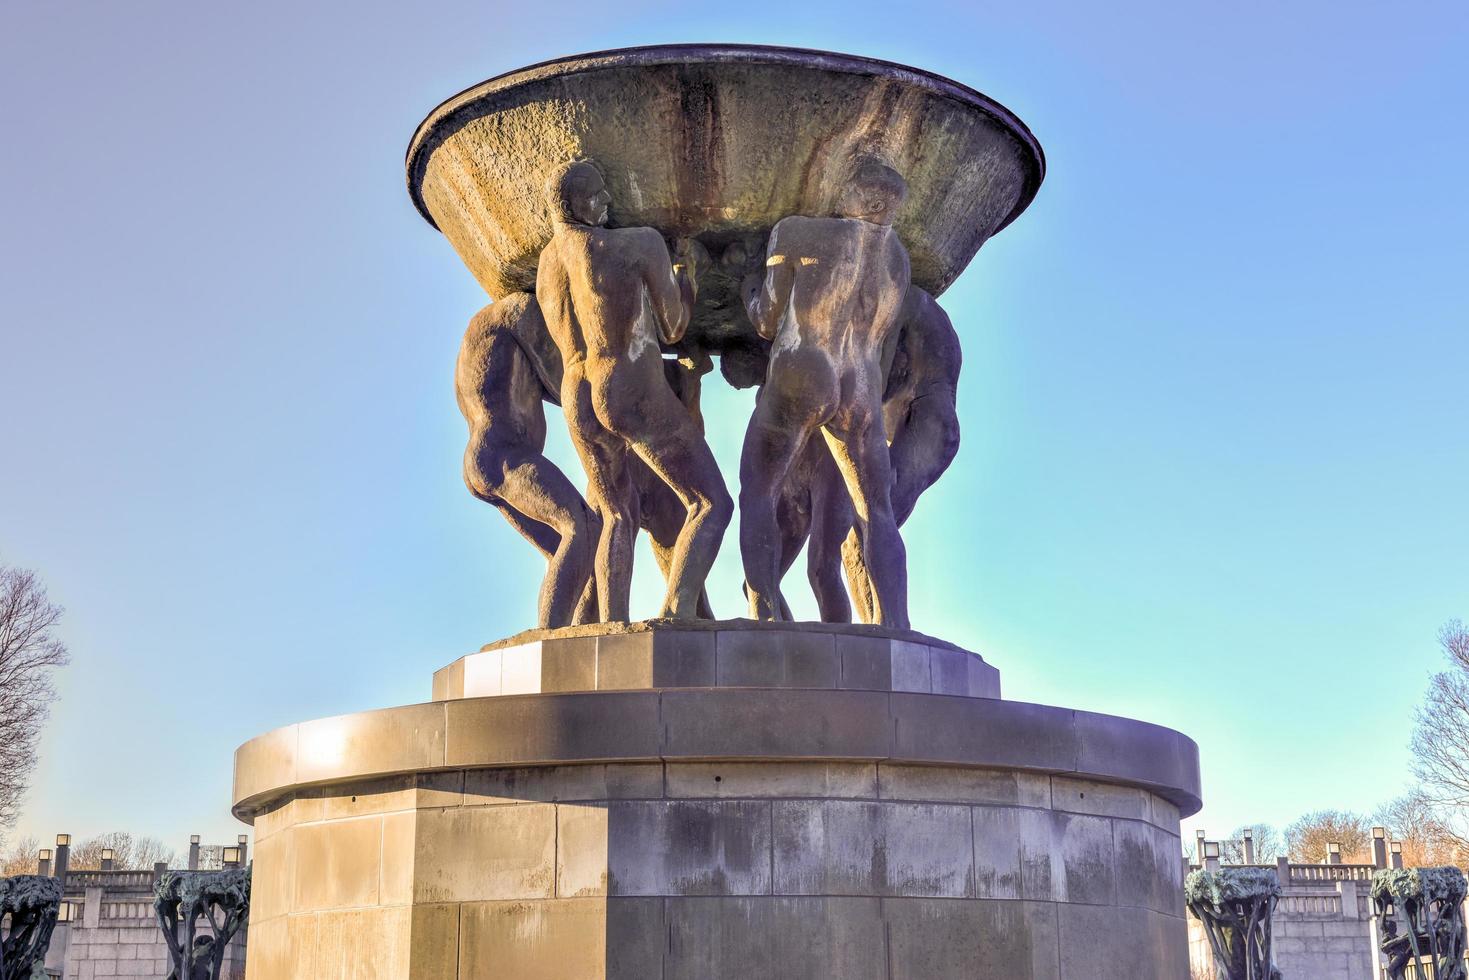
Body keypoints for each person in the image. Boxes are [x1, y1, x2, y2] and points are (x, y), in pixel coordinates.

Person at [536, 159, 732, 621]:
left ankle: (611, 626)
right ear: (577, 203)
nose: (607, 201)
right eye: (598, 193)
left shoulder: (546, 266)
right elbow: (673, 326)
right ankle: (679, 611)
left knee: (615, 515)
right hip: (628, 387)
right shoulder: (638, 244)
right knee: (711, 503)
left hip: (576, 396)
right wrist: (688, 274)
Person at [739, 159, 913, 628]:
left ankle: (764, 613)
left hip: (804, 367)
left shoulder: (798, 231)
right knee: (876, 509)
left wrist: (745, 288)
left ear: (856, 198)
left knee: (758, 488)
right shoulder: (897, 257)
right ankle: (896, 623)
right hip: (861, 383)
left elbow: (767, 320)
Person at [455, 293, 597, 627]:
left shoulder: (475, 340)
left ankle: (582, 632)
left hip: (482, 458)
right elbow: (566, 381)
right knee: (583, 526)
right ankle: (553, 639)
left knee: (573, 552)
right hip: (506, 453)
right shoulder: (517, 310)